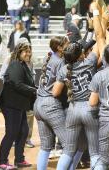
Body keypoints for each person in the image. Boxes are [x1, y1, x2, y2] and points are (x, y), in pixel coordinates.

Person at [55, 0, 106, 169]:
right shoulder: (89, 61)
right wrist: (97, 14)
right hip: (90, 109)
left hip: (72, 108)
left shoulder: (63, 69)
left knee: (68, 151)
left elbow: (55, 91)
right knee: (95, 152)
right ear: (80, 55)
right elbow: (99, 38)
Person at [0, 42, 37, 169]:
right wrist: (34, 90)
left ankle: (19, 159)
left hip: (19, 104)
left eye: (29, 51)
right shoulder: (15, 64)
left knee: (24, 131)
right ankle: (2, 161)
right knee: (12, 132)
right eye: (25, 51)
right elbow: (17, 84)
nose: (28, 54)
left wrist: (35, 88)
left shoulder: (23, 64)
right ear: (19, 52)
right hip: (10, 104)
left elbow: (26, 83)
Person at [34, 36, 69, 169]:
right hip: (50, 104)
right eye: (67, 44)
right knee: (69, 144)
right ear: (60, 48)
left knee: (45, 146)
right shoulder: (60, 62)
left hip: (38, 103)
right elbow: (60, 88)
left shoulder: (48, 57)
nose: (69, 45)